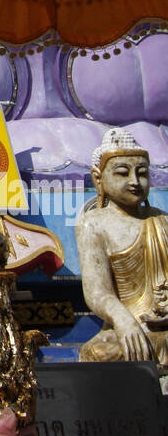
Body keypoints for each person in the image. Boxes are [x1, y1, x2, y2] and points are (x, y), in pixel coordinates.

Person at [78, 127, 168, 371]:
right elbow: (97, 293)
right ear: (99, 179)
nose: (134, 182)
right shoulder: (93, 223)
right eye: (122, 173)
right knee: (99, 353)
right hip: (129, 326)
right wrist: (122, 319)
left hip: (163, 328)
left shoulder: (162, 220)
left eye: (142, 173)